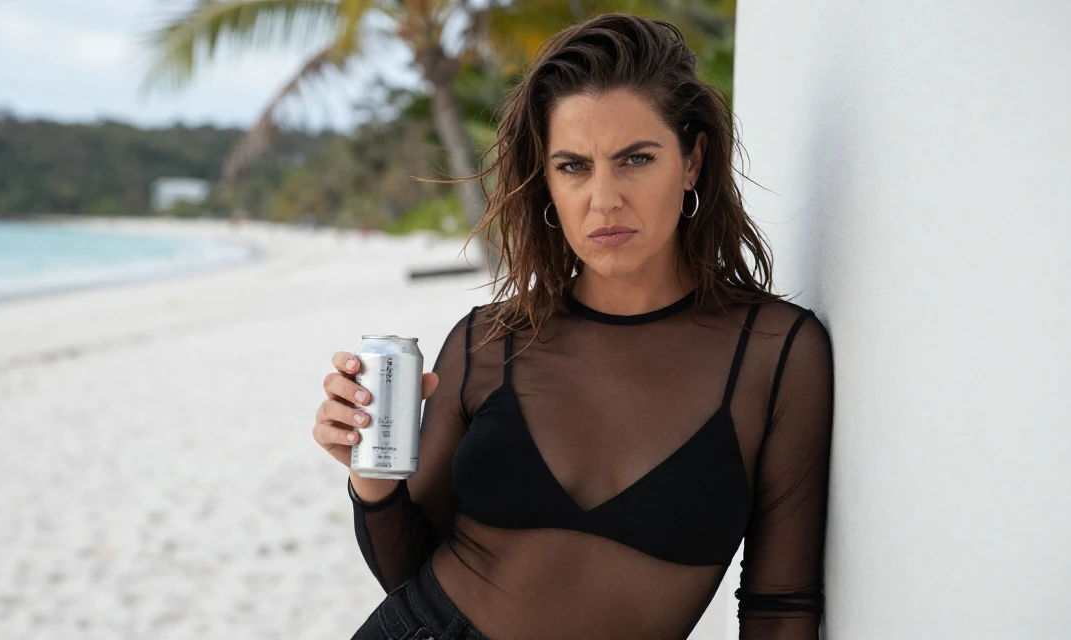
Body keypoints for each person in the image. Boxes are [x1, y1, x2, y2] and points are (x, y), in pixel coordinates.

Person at [312, 12, 834, 640]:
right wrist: (370, 481)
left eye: (636, 158)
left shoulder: (775, 355)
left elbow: (782, 603)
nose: (604, 198)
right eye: (574, 166)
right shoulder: (491, 341)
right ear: (548, 182)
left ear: (692, 161)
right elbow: (406, 569)